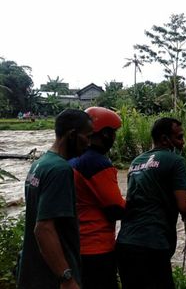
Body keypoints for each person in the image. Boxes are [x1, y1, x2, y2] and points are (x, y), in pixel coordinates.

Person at [116, 117, 186, 289]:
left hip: (125, 243)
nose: (183, 143)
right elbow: (184, 206)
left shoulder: (135, 162)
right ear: (165, 139)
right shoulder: (176, 161)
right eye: (179, 137)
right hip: (153, 245)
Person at [17, 109, 93, 289]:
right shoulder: (60, 170)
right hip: (51, 277)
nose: (89, 144)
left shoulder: (40, 163)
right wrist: (66, 277)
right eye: (87, 136)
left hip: (32, 271)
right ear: (72, 135)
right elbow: (43, 228)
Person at [69, 107, 125, 289]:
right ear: (105, 134)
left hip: (75, 245)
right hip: (97, 247)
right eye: (113, 133)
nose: (114, 139)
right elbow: (116, 209)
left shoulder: (72, 159)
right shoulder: (97, 162)